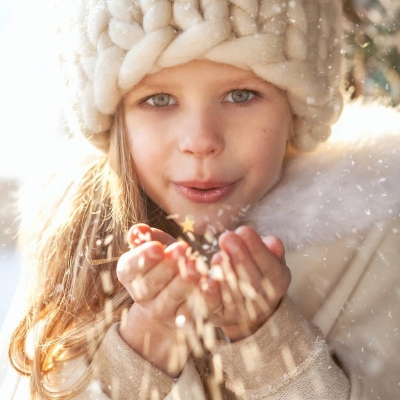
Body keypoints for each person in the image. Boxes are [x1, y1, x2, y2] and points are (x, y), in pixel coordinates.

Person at [1, 0, 400, 399]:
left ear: (297, 107)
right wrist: (145, 343)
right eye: (158, 100)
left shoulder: (372, 234)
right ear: (114, 117)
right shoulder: (78, 238)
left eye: (241, 95)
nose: (201, 141)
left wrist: (266, 340)